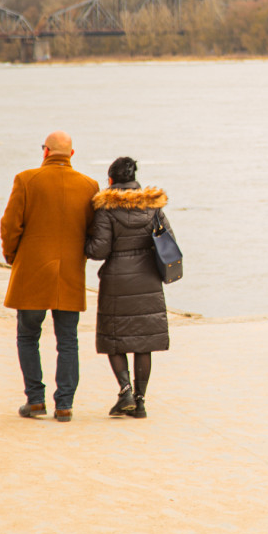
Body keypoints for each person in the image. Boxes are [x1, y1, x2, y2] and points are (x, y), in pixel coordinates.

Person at [0, 131, 99, 423]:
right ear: (72, 154)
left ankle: (35, 400)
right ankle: (64, 405)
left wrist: (12, 257)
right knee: (68, 340)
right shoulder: (89, 185)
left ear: (45, 151)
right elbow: (94, 232)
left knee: (28, 336)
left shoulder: (26, 180)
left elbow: (10, 225)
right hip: (69, 274)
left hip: (32, 272)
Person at [85, 156, 173, 419]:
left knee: (115, 339)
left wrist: (85, 243)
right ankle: (140, 402)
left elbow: (99, 251)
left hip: (116, 280)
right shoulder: (152, 206)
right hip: (148, 278)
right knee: (143, 342)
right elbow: (168, 240)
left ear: (111, 179)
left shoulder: (106, 209)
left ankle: (125, 391)